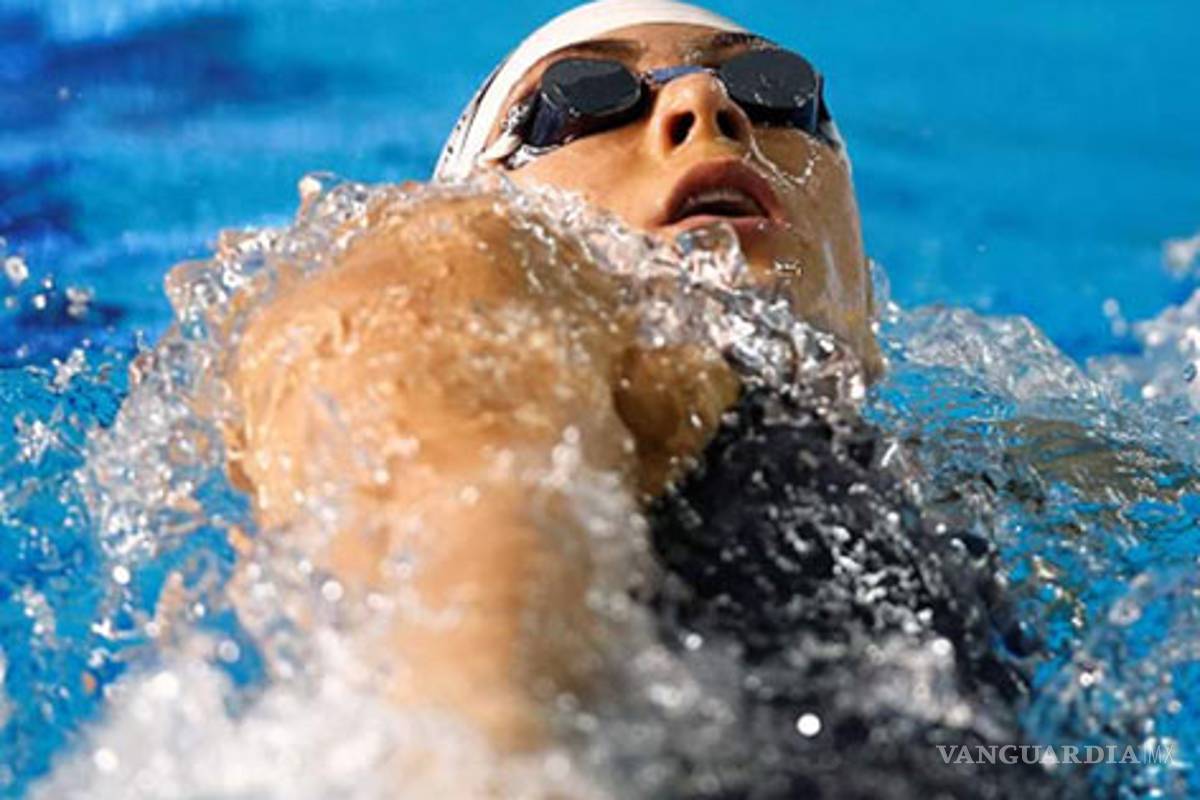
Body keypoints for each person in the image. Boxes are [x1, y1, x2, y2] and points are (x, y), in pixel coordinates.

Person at [225, 2, 1076, 796]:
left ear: (865, 308)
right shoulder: (473, 257)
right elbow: (468, 505)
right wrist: (495, 749)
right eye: (581, 100)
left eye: (780, 95)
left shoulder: (987, 475)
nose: (706, 103)